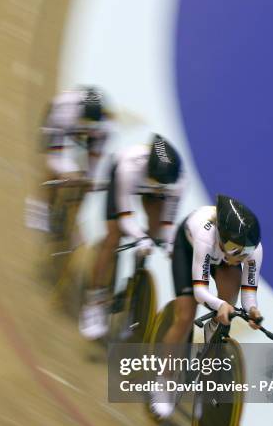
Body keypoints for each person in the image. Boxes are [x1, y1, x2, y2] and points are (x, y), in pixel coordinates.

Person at [150, 194, 263, 418]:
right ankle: (165, 379)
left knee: (228, 308)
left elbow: (248, 294)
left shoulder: (250, 251)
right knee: (184, 317)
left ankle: (209, 350)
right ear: (221, 235)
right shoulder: (206, 235)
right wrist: (219, 305)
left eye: (244, 251)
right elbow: (200, 292)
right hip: (189, 249)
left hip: (220, 258)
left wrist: (252, 311)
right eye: (234, 247)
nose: (240, 255)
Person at [79, 133, 185, 340]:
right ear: (149, 170)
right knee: (113, 236)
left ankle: (133, 293)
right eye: (156, 182)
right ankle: (94, 300)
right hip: (124, 182)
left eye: (163, 185)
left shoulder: (178, 181)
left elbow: (168, 224)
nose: (159, 187)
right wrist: (140, 237)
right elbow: (125, 217)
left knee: (155, 233)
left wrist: (168, 243)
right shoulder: (129, 167)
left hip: (150, 186)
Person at [25, 85, 113, 232]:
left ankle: (72, 220)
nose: (89, 129)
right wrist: (68, 172)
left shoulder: (106, 127)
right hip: (62, 126)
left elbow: (95, 157)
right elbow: (53, 157)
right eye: (86, 124)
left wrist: (89, 178)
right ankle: (41, 206)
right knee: (54, 171)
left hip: (83, 129)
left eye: (92, 126)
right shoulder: (63, 112)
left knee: (85, 180)